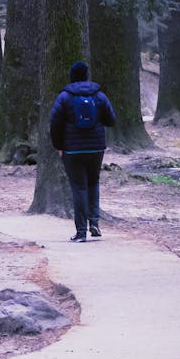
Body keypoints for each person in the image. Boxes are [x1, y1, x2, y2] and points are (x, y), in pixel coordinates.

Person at [49, 60, 116, 243]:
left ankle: (81, 231)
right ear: (86, 76)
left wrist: (59, 146)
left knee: (79, 187)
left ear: (71, 77)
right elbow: (111, 120)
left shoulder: (64, 97)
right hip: (96, 148)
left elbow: (54, 122)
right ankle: (94, 222)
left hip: (72, 150)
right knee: (93, 183)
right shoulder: (99, 95)